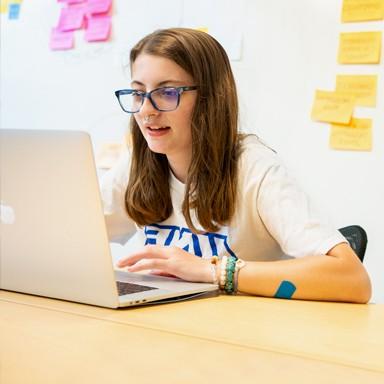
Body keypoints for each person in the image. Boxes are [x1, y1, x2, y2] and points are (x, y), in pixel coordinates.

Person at [101, 28, 371, 303]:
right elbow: (68, 234)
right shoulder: (137, 164)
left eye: (167, 92)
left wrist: (213, 271)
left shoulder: (254, 168)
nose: (146, 110)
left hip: (242, 333)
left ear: (209, 99)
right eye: (137, 93)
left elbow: (352, 279)